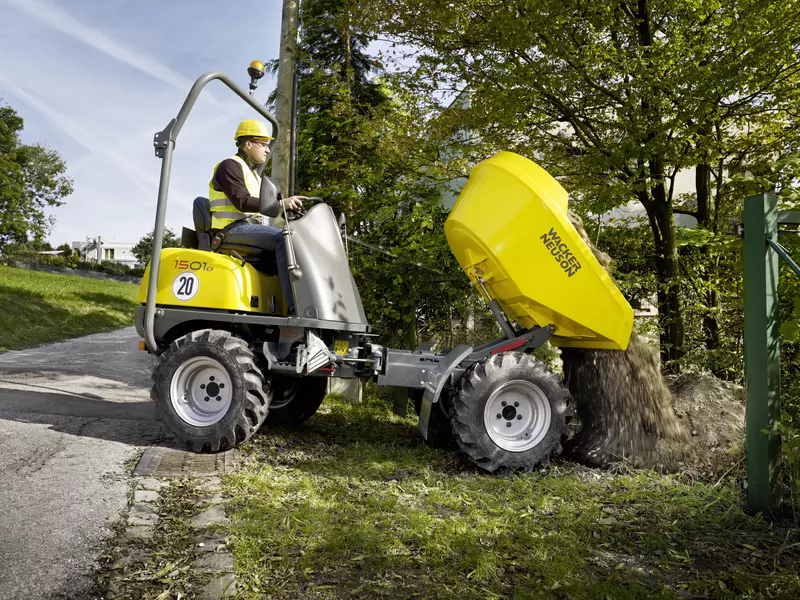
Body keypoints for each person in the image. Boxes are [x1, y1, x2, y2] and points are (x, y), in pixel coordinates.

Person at [208, 119, 306, 316]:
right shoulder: (229, 166)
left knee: (297, 241)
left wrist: (287, 205)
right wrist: (281, 204)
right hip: (230, 230)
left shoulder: (254, 175)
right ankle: (296, 309)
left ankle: (282, 305)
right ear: (248, 144)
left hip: (247, 229)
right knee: (283, 239)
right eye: (263, 144)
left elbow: (267, 205)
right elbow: (242, 202)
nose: (268, 150)